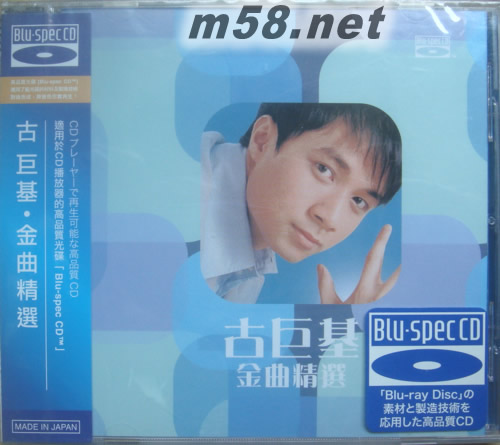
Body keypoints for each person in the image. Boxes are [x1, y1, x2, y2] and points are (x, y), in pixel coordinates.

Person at [200, 103, 402, 304]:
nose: (330, 219)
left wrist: (342, 320)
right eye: (324, 169)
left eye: (359, 201)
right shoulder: (192, 213)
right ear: (263, 140)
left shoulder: (249, 258)